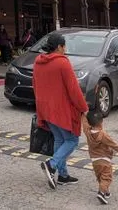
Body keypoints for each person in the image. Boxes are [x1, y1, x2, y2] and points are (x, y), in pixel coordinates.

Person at [34, 32, 89, 190]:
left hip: (46, 108)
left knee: (59, 140)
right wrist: (84, 108)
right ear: (59, 46)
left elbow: (35, 85)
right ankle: (51, 165)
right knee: (72, 141)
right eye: (64, 46)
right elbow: (73, 89)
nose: (65, 49)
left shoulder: (38, 61)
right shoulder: (62, 63)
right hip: (61, 109)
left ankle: (63, 176)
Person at [83, 110, 118, 205]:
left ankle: (106, 191)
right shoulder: (103, 135)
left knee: (100, 177)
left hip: (94, 161)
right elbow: (115, 146)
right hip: (104, 160)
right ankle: (101, 192)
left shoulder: (87, 132)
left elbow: (84, 124)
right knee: (107, 178)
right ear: (101, 122)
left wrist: (84, 114)